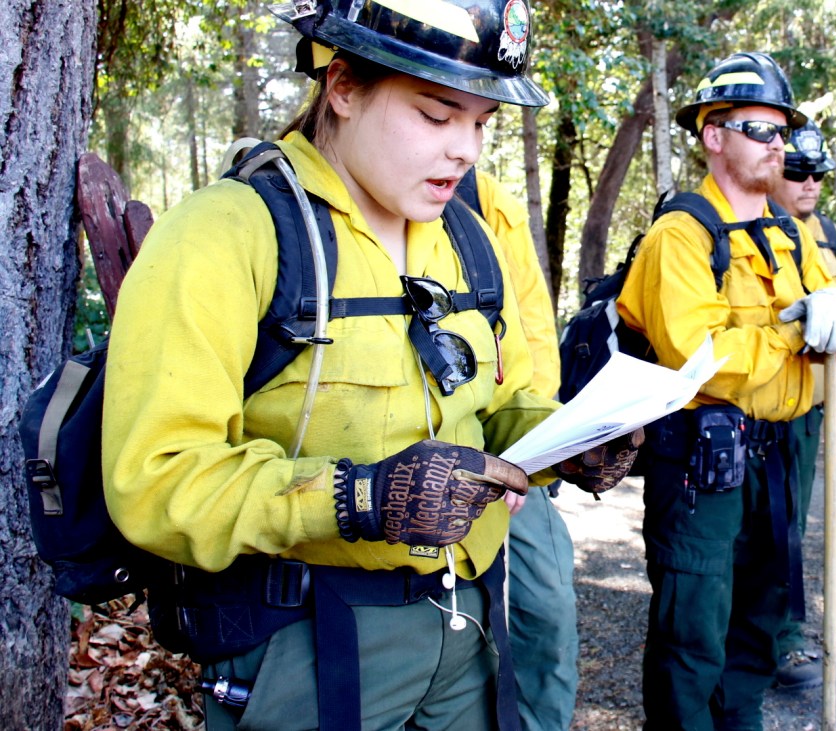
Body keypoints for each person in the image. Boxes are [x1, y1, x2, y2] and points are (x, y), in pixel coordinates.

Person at [100, 2, 640, 729]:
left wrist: (571, 440)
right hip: (310, 641)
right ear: (345, 87)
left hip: (469, 627)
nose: (466, 151)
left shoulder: (465, 241)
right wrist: (360, 496)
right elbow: (155, 477)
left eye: (482, 123)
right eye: (436, 114)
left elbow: (485, 408)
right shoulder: (226, 233)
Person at [617, 52, 836, 728]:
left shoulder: (790, 233)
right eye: (761, 130)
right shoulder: (681, 234)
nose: (778, 145)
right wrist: (797, 333)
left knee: (761, 625)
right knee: (693, 635)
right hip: (704, 464)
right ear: (714, 135)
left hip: (778, 457)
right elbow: (700, 357)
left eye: (782, 132)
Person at [460, 168, 582, 729]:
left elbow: (532, 336)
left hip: (512, 457)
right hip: (402, 478)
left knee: (548, 612)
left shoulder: (491, 207)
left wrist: (542, 447)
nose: (461, 141)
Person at [767, 118, 836, 690]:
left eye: (819, 174)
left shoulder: (828, 234)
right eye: (799, 171)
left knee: (792, 523)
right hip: (755, 399)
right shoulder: (744, 227)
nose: (810, 184)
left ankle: (783, 640)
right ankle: (756, 639)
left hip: (808, 402)